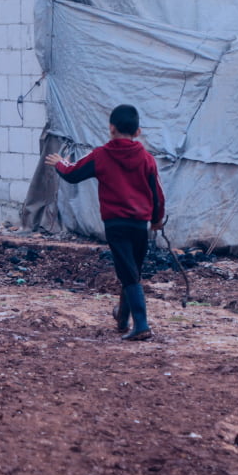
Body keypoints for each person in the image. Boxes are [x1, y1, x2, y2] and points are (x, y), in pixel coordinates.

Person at [44, 104, 166, 341]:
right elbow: (157, 193)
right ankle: (123, 318)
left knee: (128, 272)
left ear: (111, 128)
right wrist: (157, 220)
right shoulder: (147, 159)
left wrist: (59, 162)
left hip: (115, 224)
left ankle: (141, 324)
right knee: (132, 271)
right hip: (140, 224)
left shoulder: (101, 155)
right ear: (138, 131)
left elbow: (73, 173)